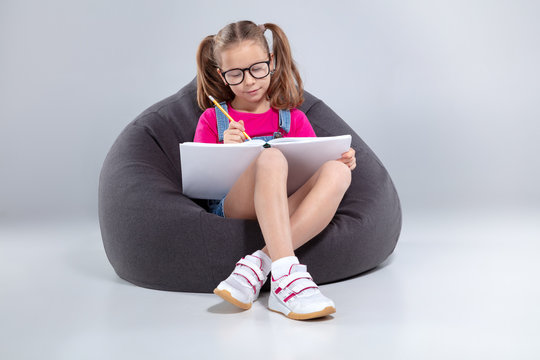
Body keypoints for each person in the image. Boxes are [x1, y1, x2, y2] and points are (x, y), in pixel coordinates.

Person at [193, 20, 356, 320]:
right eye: (235, 74)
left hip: (282, 204)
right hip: (233, 205)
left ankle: (261, 264)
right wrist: (225, 150)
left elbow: (313, 169)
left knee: (338, 173)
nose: (249, 81)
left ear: (270, 62)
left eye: (257, 68)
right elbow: (199, 182)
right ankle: (287, 278)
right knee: (271, 158)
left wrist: (340, 159)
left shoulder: (292, 118)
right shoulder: (213, 119)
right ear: (221, 75)